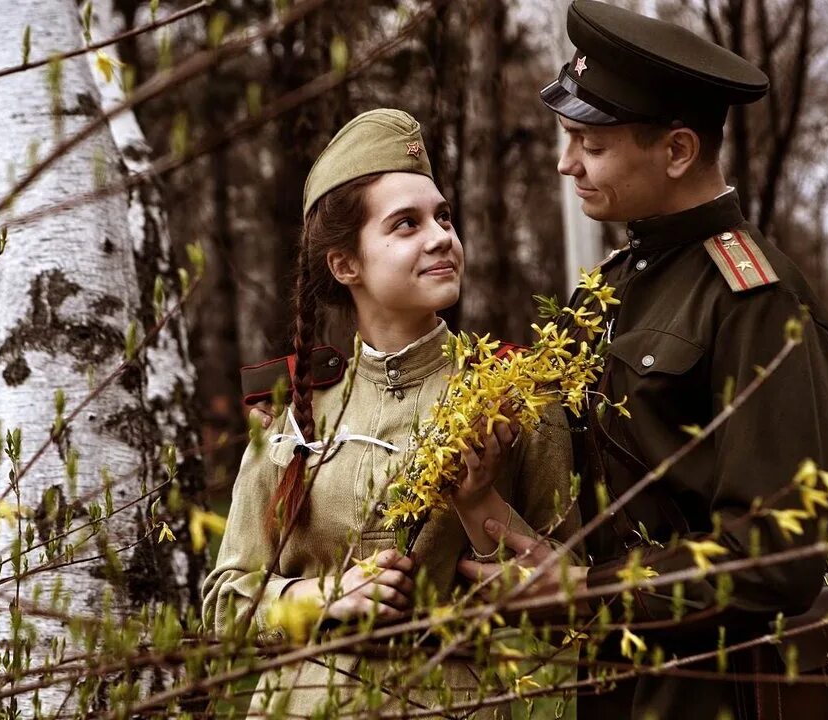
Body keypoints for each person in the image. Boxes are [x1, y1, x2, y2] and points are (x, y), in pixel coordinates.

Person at [457, 2, 828, 719]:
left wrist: (589, 592)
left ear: (676, 151)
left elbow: (776, 559)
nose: (564, 162)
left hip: (716, 687)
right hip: (612, 682)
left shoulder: (757, 302)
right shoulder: (609, 288)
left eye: (590, 143)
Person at [203, 108, 582, 718]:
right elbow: (225, 604)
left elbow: (570, 607)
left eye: (444, 218)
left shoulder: (512, 396)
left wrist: (481, 509)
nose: (441, 237)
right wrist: (325, 598)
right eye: (406, 225)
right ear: (345, 264)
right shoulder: (294, 405)